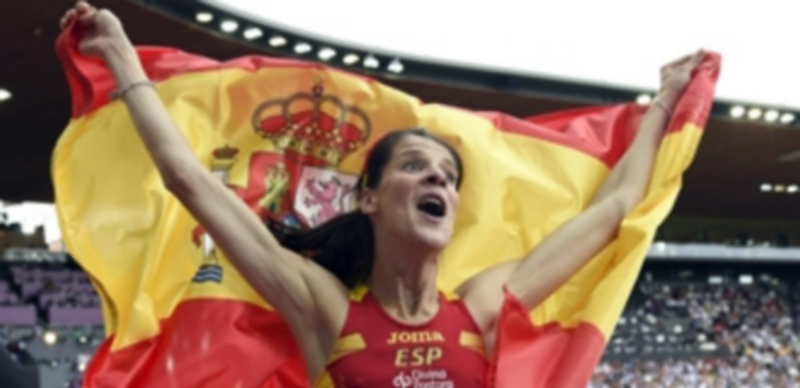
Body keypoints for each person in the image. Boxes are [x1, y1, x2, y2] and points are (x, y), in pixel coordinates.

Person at [59, 1, 706, 386]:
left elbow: (613, 211)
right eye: (416, 167)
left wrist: (665, 104)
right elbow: (190, 182)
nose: (437, 181)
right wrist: (122, 60)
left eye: (448, 178)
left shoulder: (482, 306)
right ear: (368, 198)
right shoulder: (327, 311)